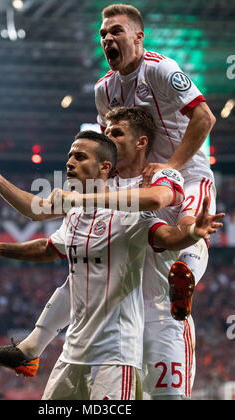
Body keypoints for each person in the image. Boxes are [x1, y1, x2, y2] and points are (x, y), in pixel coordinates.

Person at [0, 113, 224, 400]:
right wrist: (0, 185)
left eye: (116, 134)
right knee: (79, 270)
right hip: (96, 328)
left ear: (141, 142)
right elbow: (40, 215)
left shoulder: (159, 175)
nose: (108, 138)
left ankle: (30, 349)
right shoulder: (92, 195)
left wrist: (191, 233)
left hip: (158, 312)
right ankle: (30, 348)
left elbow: (157, 203)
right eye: (106, 133)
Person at [95, 4, 217, 321]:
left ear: (139, 37)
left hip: (189, 173)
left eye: (116, 31)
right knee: (150, 254)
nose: (108, 38)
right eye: (103, 34)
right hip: (145, 185)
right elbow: (107, 145)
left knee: (190, 228)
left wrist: (172, 165)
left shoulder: (161, 70)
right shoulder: (104, 89)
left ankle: (185, 283)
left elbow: (205, 118)